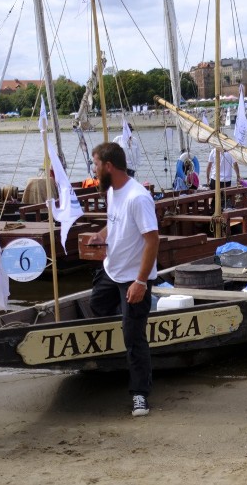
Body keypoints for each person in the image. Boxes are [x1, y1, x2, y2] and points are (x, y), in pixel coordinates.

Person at [86, 142, 159, 417]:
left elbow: (152, 240)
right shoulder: (112, 192)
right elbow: (114, 221)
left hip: (133, 278)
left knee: (134, 337)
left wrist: (140, 282)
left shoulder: (137, 197)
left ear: (108, 166)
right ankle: (128, 317)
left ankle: (140, 394)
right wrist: (102, 236)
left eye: (95, 165)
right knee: (96, 304)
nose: (93, 170)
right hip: (112, 270)